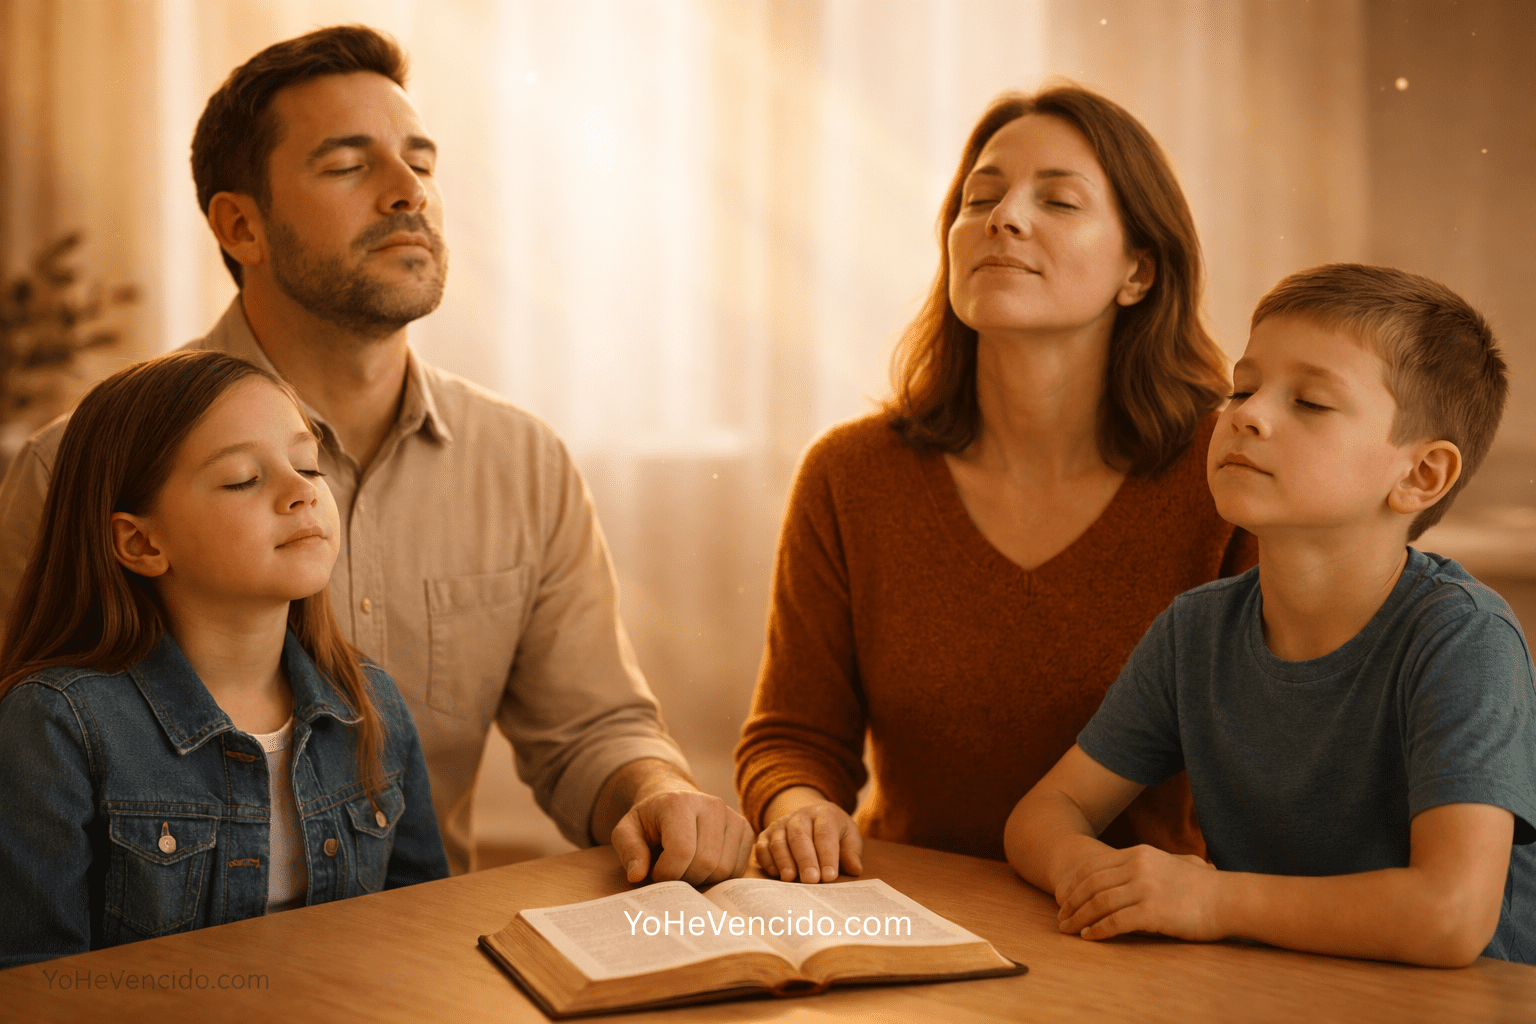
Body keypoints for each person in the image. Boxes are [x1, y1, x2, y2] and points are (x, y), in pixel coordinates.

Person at [0, 26, 751, 885]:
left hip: (416, 964)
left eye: (421, 162)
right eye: (350, 166)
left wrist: (657, 791)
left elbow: (591, 732)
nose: (408, 194)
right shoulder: (80, 471)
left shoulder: (522, 460)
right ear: (241, 224)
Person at [735, 85, 1256, 883]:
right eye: (981, 196)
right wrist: (800, 808)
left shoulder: (1222, 478)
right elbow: (793, 739)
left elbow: (1275, 770)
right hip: (906, 917)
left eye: (1059, 200)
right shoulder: (850, 475)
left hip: (1132, 938)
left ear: (1139, 272)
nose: (1004, 217)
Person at [1005, 264, 1533, 967]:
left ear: (1420, 476)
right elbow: (1044, 814)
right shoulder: (1194, 632)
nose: (1245, 415)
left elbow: (1451, 917)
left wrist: (1210, 901)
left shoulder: (1462, 638)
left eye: (1310, 402)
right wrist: (1084, 872)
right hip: (1273, 990)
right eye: (1243, 388)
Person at [0, 351, 451, 967]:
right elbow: (32, 988)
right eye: (244, 478)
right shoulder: (55, 726)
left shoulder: (371, 700)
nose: (301, 493)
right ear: (141, 541)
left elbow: (421, 937)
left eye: (307, 465)